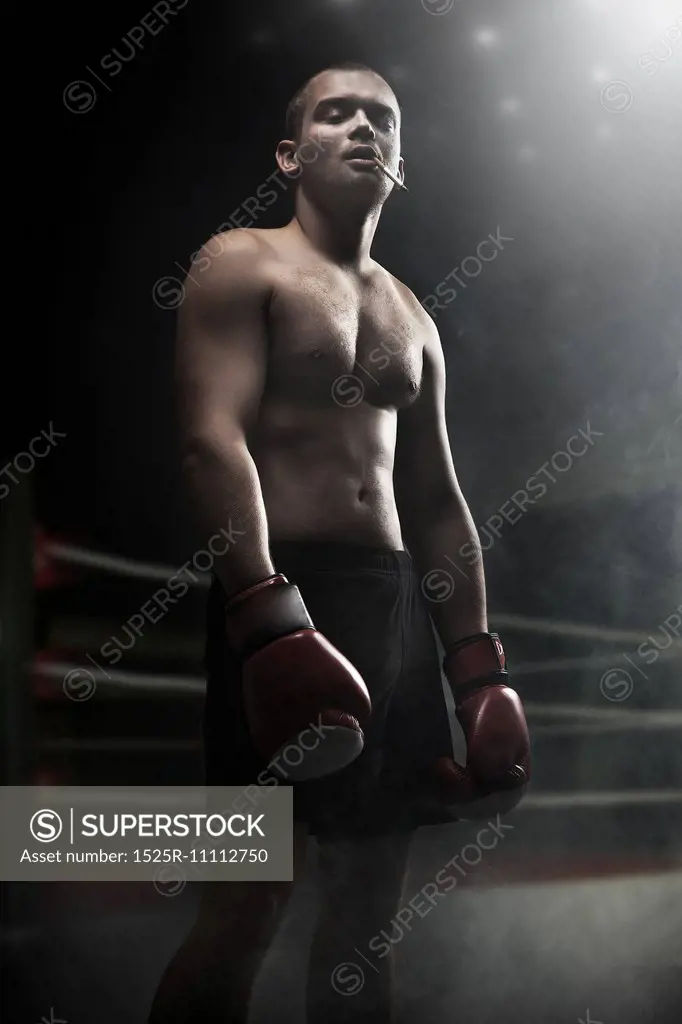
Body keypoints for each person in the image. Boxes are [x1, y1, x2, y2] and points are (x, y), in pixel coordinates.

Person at [148, 61, 530, 1024]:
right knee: (246, 905)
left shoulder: (415, 317)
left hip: (390, 608)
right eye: (337, 113)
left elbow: (438, 502)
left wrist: (476, 669)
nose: (363, 127)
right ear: (292, 152)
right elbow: (210, 439)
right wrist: (264, 614)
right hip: (278, 596)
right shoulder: (242, 262)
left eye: (382, 119)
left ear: (400, 160)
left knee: (367, 917)